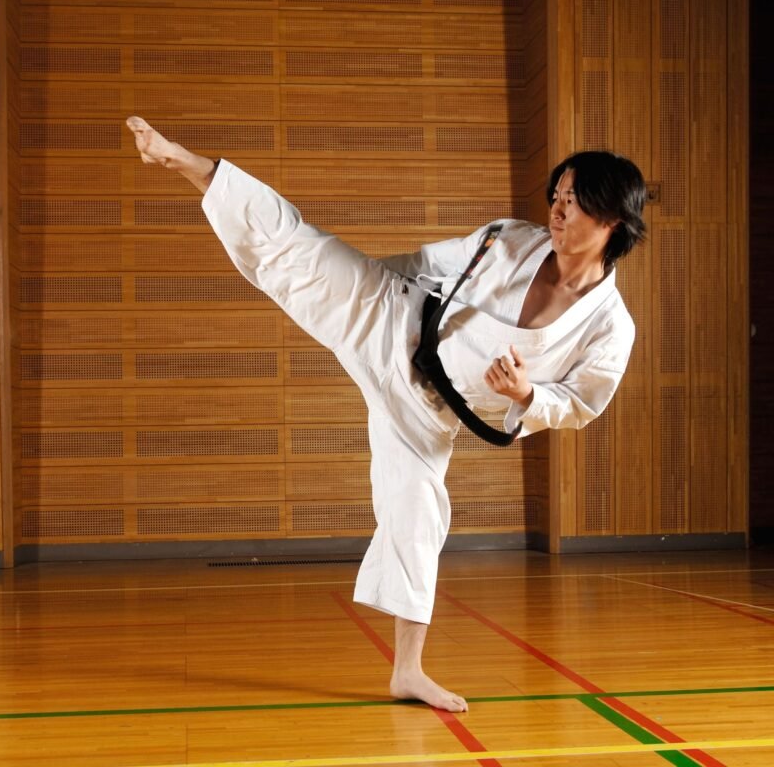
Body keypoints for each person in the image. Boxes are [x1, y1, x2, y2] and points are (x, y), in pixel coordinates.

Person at [126, 116, 646, 713]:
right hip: (392, 321)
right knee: (300, 248)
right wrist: (353, 276)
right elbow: (426, 263)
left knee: (418, 515)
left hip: (428, 412)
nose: (556, 209)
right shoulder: (509, 239)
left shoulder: (610, 326)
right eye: (557, 195)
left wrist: (529, 396)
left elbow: (581, 403)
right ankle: (184, 161)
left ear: (611, 219)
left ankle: (408, 671)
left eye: (574, 201)